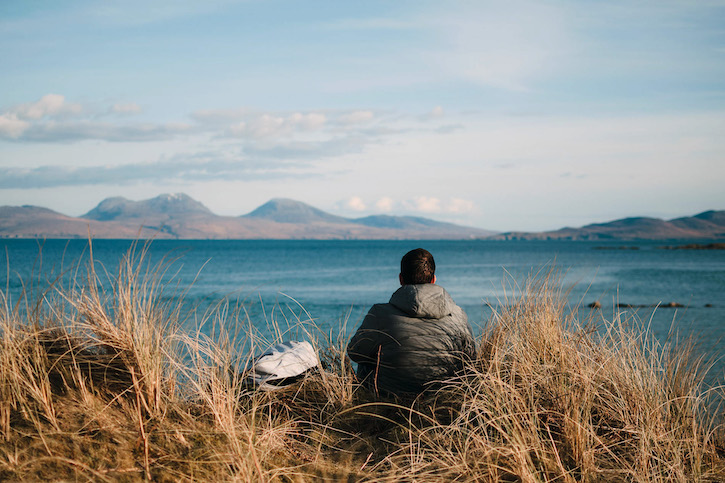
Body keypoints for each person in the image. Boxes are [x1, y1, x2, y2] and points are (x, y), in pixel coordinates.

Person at [347, 248, 475, 397]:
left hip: (390, 400)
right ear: (433, 279)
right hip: (444, 399)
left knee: (366, 360)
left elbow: (355, 352)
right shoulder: (458, 315)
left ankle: (364, 409)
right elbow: (471, 361)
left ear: (401, 279)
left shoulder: (380, 314)